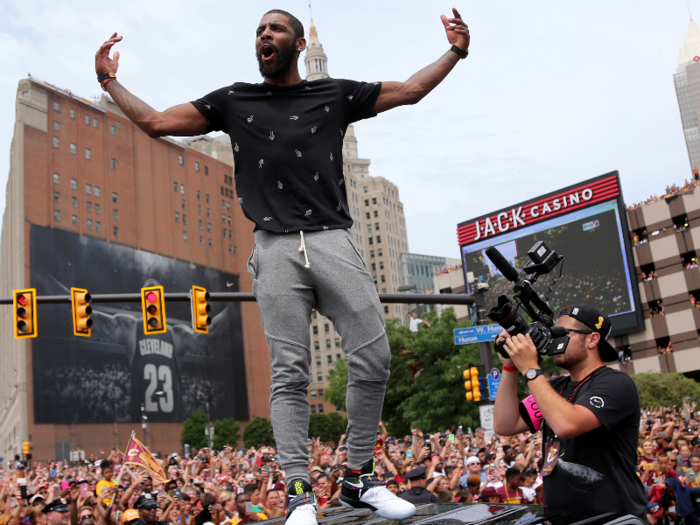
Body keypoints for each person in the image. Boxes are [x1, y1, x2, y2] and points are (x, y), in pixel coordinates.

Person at [94, 7, 469, 525]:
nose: (263, 35)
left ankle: (359, 479)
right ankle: (299, 494)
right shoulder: (234, 100)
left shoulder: (334, 94)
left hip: (332, 239)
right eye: (258, 31)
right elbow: (157, 122)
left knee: (375, 356)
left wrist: (454, 51)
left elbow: (408, 89)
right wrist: (110, 80)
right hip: (273, 249)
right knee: (289, 373)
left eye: (274, 29)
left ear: (297, 45)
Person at [493, 304, 647, 518]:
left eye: (563, 333)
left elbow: (567, 424)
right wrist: (510, 367)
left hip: (613, 519)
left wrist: (530, 368)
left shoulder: (616, 383)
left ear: (592, 340)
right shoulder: (556, 388)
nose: (555, 340)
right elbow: (505, 424)